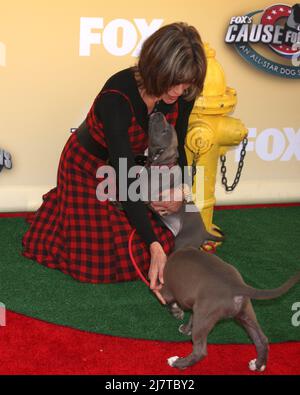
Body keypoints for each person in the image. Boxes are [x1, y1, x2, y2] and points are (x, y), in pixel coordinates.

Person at [22, 22, 207, 302]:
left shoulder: (183, 93)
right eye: (175, 81)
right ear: (156, 67)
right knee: (99, 263)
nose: (180, 91)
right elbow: (124, 175)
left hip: (132, 166)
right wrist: (154, 246)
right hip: (87, 167)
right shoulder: (117, 98)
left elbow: (177, 145)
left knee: (169, 235)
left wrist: (180, 190)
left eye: (188, 83)